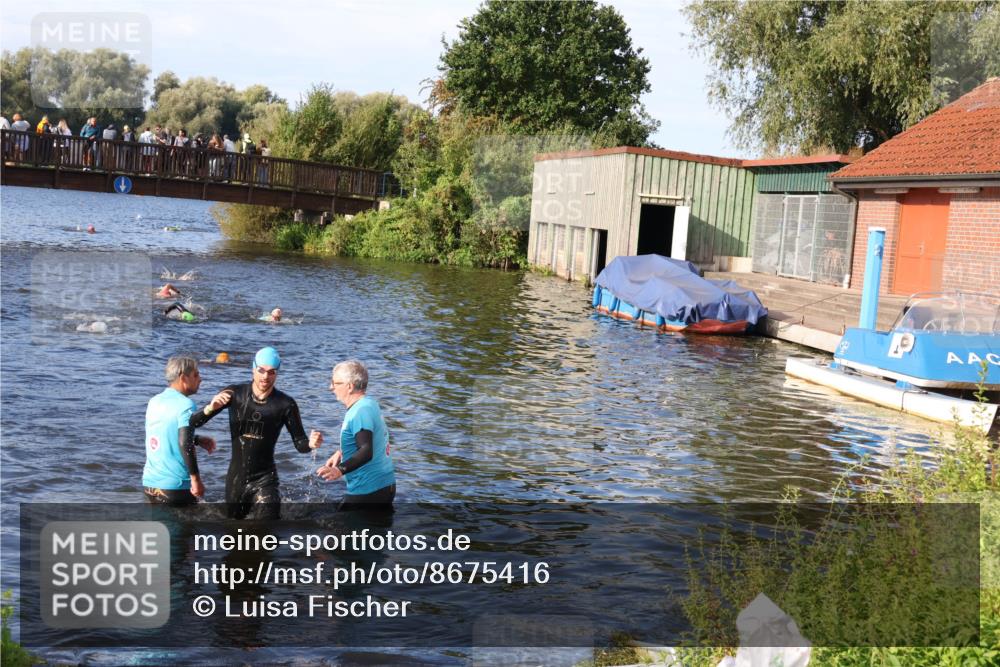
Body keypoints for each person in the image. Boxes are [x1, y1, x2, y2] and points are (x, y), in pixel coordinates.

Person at [191, 347, 322, 519]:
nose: (265, 377)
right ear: (253, 368)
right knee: (234, 536)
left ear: (276, 374)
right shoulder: (234, 394)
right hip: (236, 479)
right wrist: (209, 408)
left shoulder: (285, 404)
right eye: (261, 370)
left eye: (271, 372)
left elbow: (300, 444)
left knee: (266, 532)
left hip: (265, 479)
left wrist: (311, 444)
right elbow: (193, 423)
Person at [317, 360, 396, 510]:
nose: (331, 387)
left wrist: (339, 470)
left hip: (368, 492)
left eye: (335, 383)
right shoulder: (369, 403)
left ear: (350, 386)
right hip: (385, 486)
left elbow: (366, 451)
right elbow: (373, 438)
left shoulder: (360, 412)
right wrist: (342, 452)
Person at [143, 356, 216, 506]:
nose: (200, 379)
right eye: (196, 375)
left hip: (150, 483)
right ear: (183, 378)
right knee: (186, 529)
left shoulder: (154, 401)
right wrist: (196, 480)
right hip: (176, 487)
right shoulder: (186, 405)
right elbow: (185, 442)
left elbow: (164, 434)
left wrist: (197, 439)